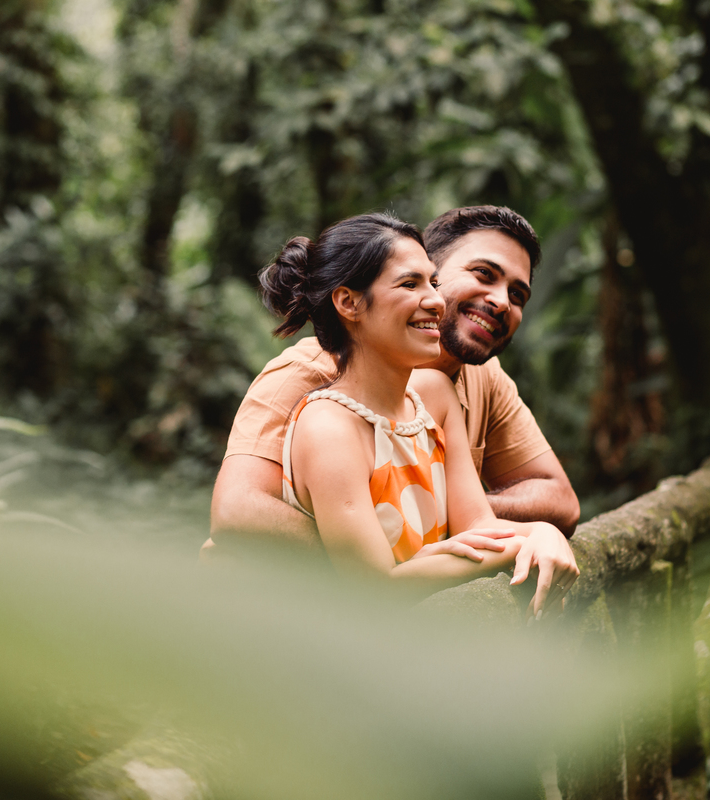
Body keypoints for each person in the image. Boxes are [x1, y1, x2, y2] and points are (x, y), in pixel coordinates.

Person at [220, 212, 577, 611]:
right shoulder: (317, 399)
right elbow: (238, 511)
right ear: (349, 302)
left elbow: (497, 519)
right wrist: (397, 555)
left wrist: (539, 533)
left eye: (517, 295)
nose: (500, 301)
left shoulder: (442, 391)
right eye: (483, 273)